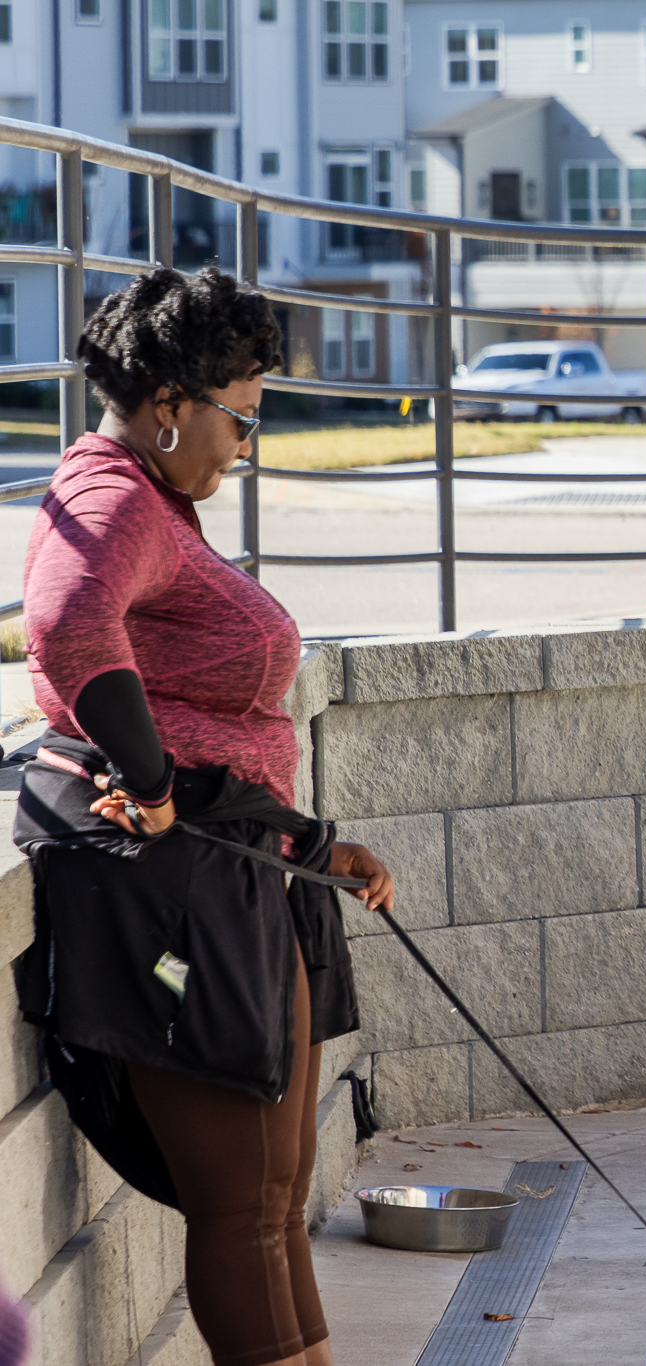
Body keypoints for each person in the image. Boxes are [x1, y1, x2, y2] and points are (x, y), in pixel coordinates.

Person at [13, 266, 395, 1366]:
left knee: (277, 1200)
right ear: (171, 404)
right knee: (239, 1205)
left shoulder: (156, 496)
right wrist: (152, 773)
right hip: (174, 892)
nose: (248, 441)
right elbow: (69, 624)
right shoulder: (110, 496)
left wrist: (309, 840)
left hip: (238, 864)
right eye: (242, 415)